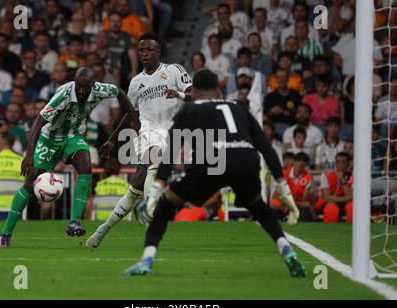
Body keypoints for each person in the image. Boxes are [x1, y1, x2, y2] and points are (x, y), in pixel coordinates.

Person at [122, 69, 305, 277]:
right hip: (245, 160)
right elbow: (265, 146)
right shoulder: (238, 108)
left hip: (212, 160)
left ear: (195, 92)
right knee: (258, 206)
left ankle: (146, 260)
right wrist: (283, 187)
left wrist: (156, 189)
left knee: (166, 204)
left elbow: (171, 149)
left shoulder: (190, 109)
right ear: (219, 91)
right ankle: (288, 251)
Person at [0, 66, 138, 248]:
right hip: (50, 138)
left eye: (84, 87)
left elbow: (119, 92)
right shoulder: (63, 95)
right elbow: (38, 122)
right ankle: (5, 233)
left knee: (86, 168)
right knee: (31, 180)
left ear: (92, 85)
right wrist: (29, 155)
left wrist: (134, 119)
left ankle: (74, 221)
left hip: (73, 136)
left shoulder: (99, 90)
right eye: (78, 86)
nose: (80, 91)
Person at [86, 33, 193, 248]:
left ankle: (103, 229)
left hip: (173, 132)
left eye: (149, 49)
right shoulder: (136, 82)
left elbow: (195, 94)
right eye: (141, 50)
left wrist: (179, 95)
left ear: (158, 51)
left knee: (135, 186)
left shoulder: (174, 71)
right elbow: (129, 113)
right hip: (148, 132)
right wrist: (112, 140)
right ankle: (150, 217)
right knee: (153, 156)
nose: (144, 53)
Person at [270, 152, 314, 221]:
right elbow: (275, 195)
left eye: (304, 161)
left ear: (306, 164)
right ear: (294, 162)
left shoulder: (308, 177)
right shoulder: (283, 174)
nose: (301, 163)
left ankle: (303, 227)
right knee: (273, 205)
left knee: (306, 206)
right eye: (299, 160)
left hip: (298, 202)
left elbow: (305, 197)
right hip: (283, 201)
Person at [315, 152, 353, 223]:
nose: (340, 165)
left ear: (348, 164)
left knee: (352, 207)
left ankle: (352, 232)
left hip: (345, 203)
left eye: (344, 162)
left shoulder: (353, 176)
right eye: (338, 162)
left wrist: (342, 180)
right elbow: (328, 198)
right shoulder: (326, 175)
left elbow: (351, 197)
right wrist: (347, 198)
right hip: (329, 203)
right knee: (331, 208)